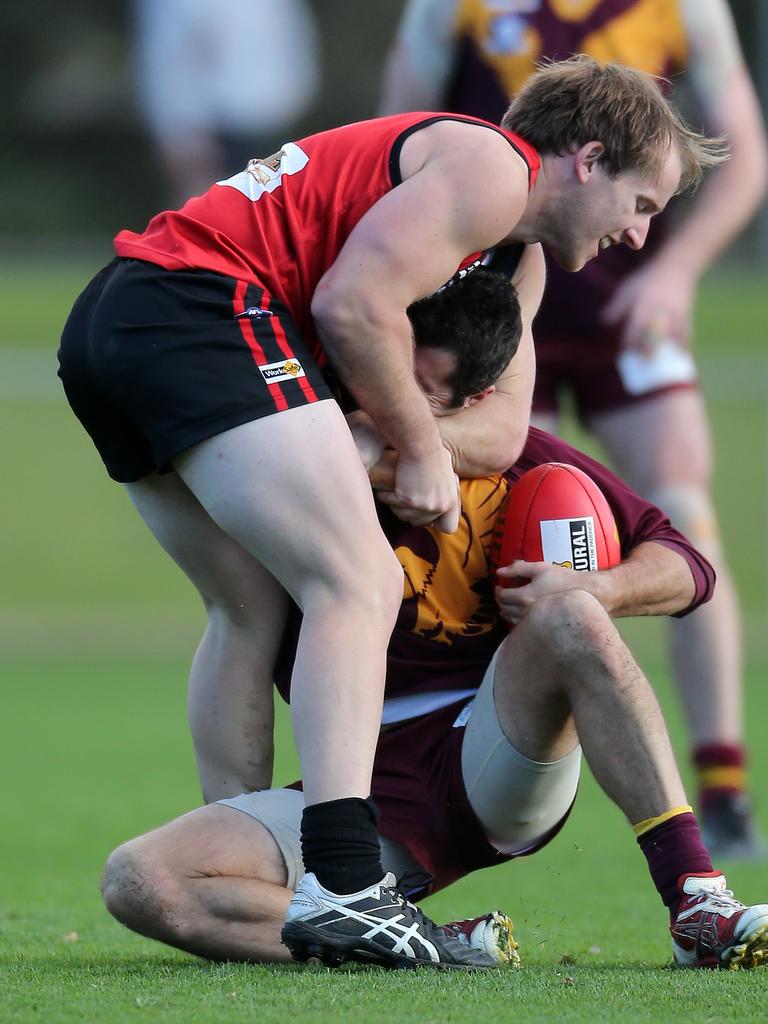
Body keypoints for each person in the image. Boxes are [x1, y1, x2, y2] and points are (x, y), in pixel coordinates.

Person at [57, 56, 724, 970]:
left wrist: (401, 442)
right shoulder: (494, 168)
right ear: (589, 159)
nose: (640, 237)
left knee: (245, 607)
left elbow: (495, 428)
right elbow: (352, 303)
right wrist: (411, 447)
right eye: (641, 204)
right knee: (357, 581)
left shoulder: (513, 251)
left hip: (115, 321)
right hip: (199, 305)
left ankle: (261, 848)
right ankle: (343, 881)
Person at [99, 337, 768, 970]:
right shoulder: (297, 473)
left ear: (476, 400)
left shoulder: (523, 461)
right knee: (142, 881)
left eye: (419, 393)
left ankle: (696, 901)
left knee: (571, 614)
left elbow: (689, 565)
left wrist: (598, 585)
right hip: (357, 787)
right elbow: (234, 617)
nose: (390, 409)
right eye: (379, 382)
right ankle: (430, 947)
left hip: (496, 745)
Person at [379, 0, 768, 860]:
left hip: (626, 311)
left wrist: (675, 273)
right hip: (494, 314)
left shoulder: (687, 8)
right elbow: (397, 129)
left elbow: (745, 155)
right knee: (493, 522)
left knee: (679, 516)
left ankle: (725, 786)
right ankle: (484, 744)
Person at [133, 0, 321, 205]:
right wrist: (176, 130)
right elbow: (169, 56)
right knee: (209, 221)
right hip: (217, 131)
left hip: (273, 126)